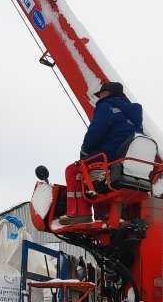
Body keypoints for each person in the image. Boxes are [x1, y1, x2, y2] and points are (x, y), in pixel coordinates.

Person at [58, 81, 144, 225]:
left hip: (109, 158)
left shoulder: (106, 106)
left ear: (108, 94)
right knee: (97, 178)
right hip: (128, 163)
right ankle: (104, 214)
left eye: (101, 94)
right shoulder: (134, 114)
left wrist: (84, 151)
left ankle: (79, 214)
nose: (99, 97)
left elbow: (95, 132)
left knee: (73, 170)